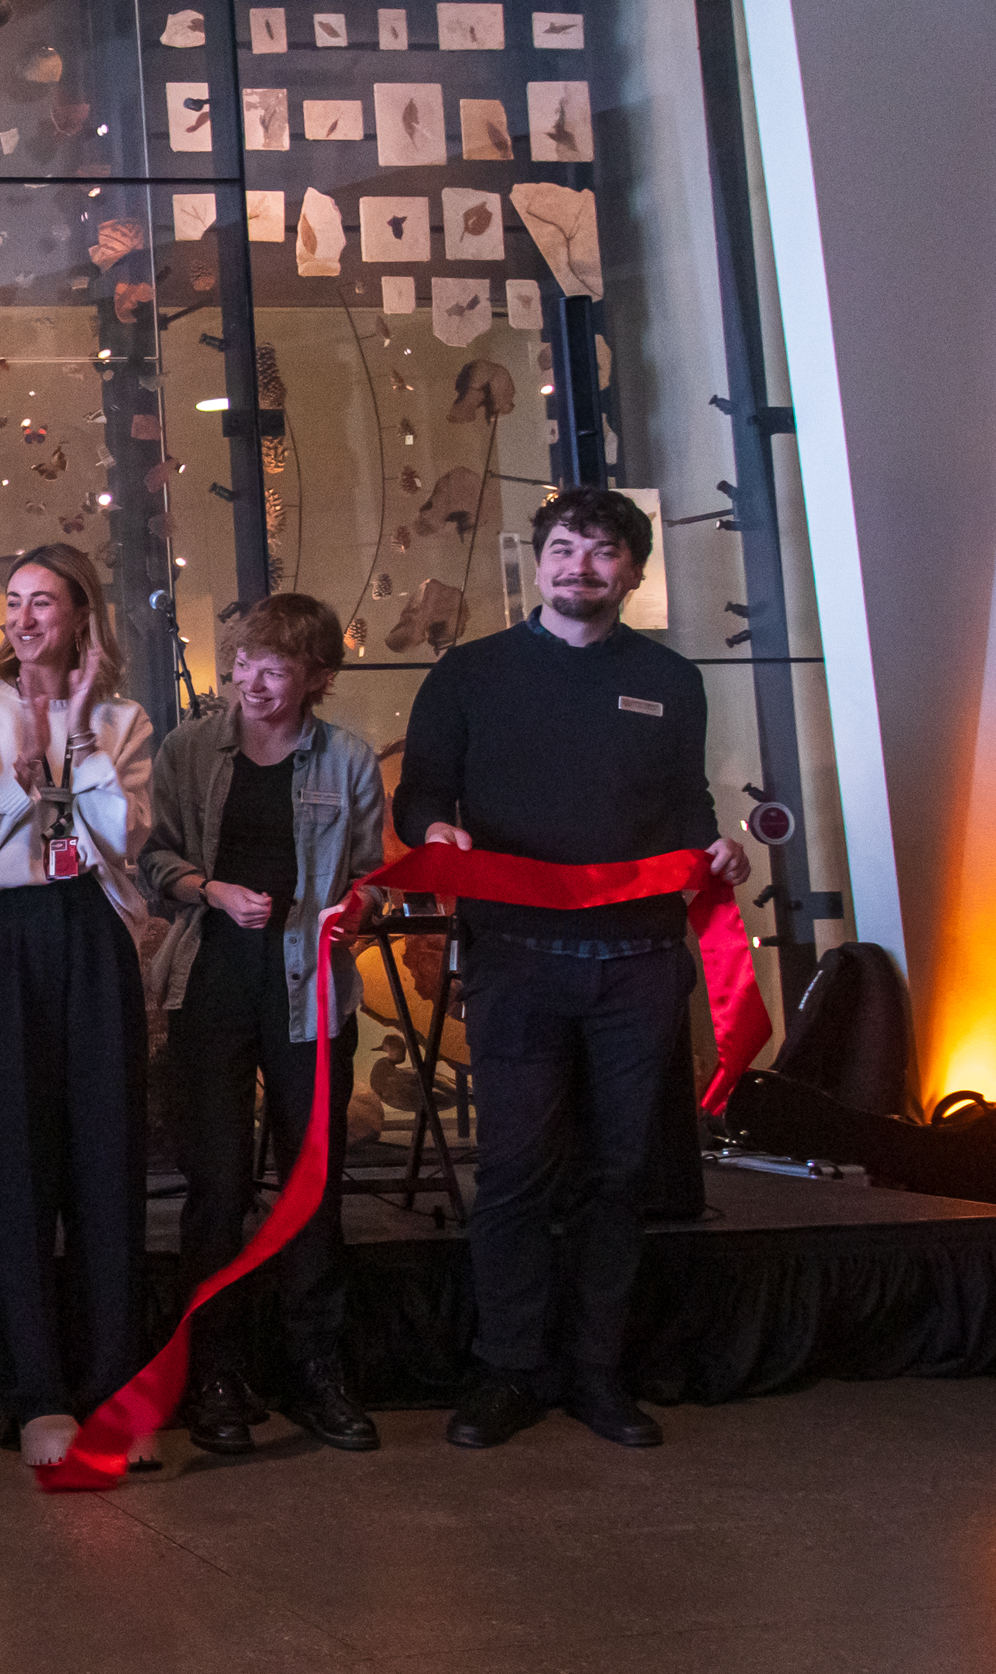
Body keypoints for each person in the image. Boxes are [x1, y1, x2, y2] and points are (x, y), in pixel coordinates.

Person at [394, 487, 748, 1451]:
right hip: (515, 962)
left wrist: (714, 853)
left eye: (600, 552)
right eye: (562, 548)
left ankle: (597, 1371)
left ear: (631, 573)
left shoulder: (672, 681)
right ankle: (510, 1367)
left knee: (620, 1173)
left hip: (638, 965)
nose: (578, 566)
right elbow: (422, 791)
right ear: (535, 564)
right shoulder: (470, 673)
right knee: (512, 1170)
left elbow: (685, 804)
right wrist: (433, 831)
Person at [140, 593, 387, 1457]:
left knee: (312, 1188)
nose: (252, 679)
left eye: (275, 667)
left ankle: (316, 1368)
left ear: (316, 678)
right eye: (243, 661)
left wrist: (358, 911)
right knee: (216, 1189)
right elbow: (153, 860)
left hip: (311, 988)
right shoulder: (188, 749)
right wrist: (209, 890)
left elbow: (373, 875)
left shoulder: (348, 759)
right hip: (210, 980)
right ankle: (213, 1372)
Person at [0, 543, 154, 1483]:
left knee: (107, 1162)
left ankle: (115, 1390)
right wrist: (23, 765)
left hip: (95, 933)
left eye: (43, 603)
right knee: (17, 1166)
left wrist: (79, 737)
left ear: (81, 616)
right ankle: (38, 1393)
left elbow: (125, 834)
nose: (23, 618)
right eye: (12, 601)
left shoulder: (125, 718)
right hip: (4, 938)